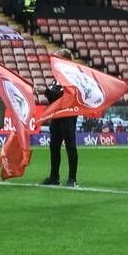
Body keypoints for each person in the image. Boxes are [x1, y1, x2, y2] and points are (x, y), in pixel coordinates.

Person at [41, 53, 79, 187]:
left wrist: (45, 91)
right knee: (54, 146)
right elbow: (53, 98)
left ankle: (72, 179)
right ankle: (54, 177)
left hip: (68, 116)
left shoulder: (71, 78)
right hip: (56, 117)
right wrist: (46, 92)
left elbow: (62, 97)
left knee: (70, 146)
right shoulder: (56, 79)